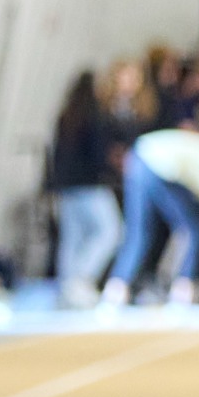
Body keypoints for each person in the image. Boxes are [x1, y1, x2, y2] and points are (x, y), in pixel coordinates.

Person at [101, 127, 199, 309]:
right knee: (196, 230)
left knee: (139, 233)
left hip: (140, 154)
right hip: (161, 163)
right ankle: (182, 294)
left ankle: (114, 293)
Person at [50, 71, 123, 308]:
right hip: (90, 185)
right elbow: (99, 155)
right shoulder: (96, 116)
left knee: (72, 239)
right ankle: (80, 279)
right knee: (112, 231)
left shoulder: (66, 116)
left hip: (66, 186)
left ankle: (67, 288)